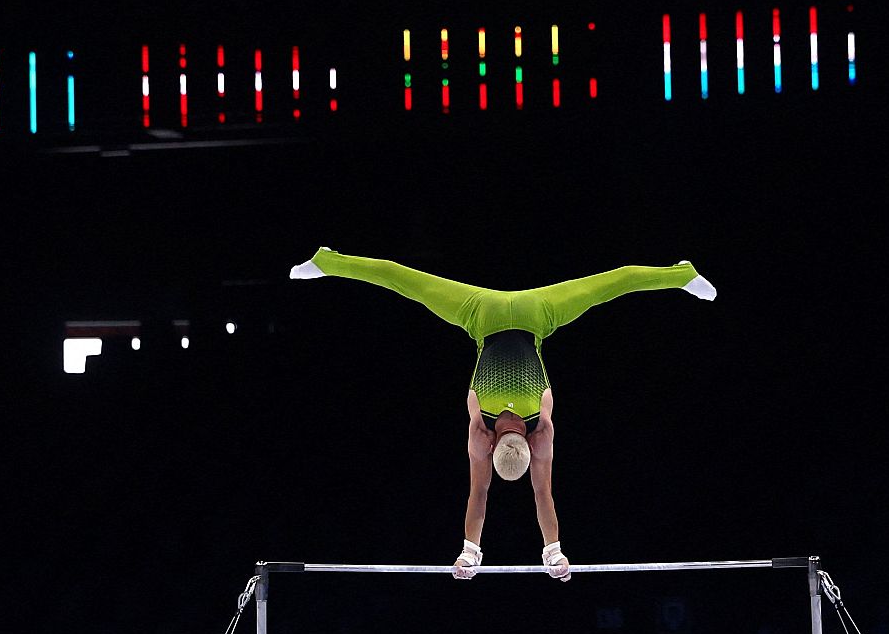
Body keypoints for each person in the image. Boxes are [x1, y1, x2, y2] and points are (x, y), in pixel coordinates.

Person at [290, 247, 718, 581]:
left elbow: (540, 495)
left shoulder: (542, 427)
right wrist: (468, 552)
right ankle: (681, 273)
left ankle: (328, 260)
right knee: (407, 281)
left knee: (608, 284)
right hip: (484, 315)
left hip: (535, 315)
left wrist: (555, 552)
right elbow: (482, 497)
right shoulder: (481, 427)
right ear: (497, 444)